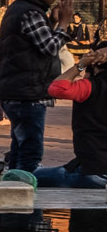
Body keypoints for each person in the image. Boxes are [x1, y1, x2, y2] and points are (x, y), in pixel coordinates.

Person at [0, 0, 80, 177]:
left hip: (17, 88)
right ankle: (24, 190)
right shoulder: (30, 12)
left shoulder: (21, 9)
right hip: (26, 91)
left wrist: (52, 22)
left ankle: (14, 187)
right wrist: (65, 24)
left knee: (20, 147)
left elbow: (33, 42)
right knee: (30, 150)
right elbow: (49, 47)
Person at [35, 47, 107, 188]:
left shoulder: (91, 87)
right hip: (94, 169)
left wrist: (81, 64)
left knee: (27, 177)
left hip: (94, 172)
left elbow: (57, 88)